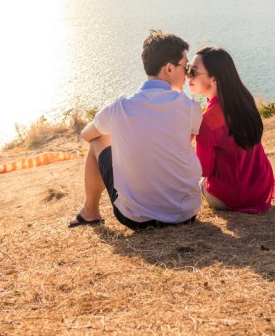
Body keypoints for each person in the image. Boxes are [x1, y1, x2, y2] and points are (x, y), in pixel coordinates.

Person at [69, 30, 203, 231]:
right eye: (185, 66)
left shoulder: (119, 108)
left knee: (98, 140)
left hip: (137, 218)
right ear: (168, 68)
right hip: (186, 214)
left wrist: (123, 133)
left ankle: (90, 213)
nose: (187, 73)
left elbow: (87, 135)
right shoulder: (190, 107)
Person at [188, 46, 275, 213]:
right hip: (262, 186)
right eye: (187, 70)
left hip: (232, 196)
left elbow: (204, 170)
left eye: (193, 72)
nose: (187, 76)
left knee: (199, 183)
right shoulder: (244, 100)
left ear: (213, 79)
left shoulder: (206, 122)